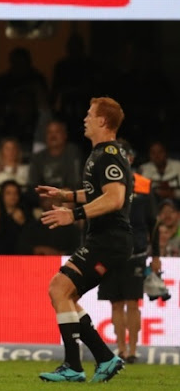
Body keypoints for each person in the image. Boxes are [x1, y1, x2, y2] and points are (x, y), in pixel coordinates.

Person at [36, 97, 132, 383]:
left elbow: (114, 199)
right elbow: (100, 193)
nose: (85, 119)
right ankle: (104, 358)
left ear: (103, 121)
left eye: (90, 114)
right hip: (106, 239)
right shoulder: (101, 154)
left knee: (59, 288)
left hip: (109, 240)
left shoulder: (109, 154)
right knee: (66, 295)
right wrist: (66, 195)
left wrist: (73, 213)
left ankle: (73, 366)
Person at [97, 139, 155, 364]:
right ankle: (120, 349)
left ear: (130, 158)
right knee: (116, 302)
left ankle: (132, 350)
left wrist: (156, 255)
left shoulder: (144, 184)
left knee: (132, 302)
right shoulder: (102, 183)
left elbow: (154, 222)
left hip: (136, 252)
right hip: (111, 250)